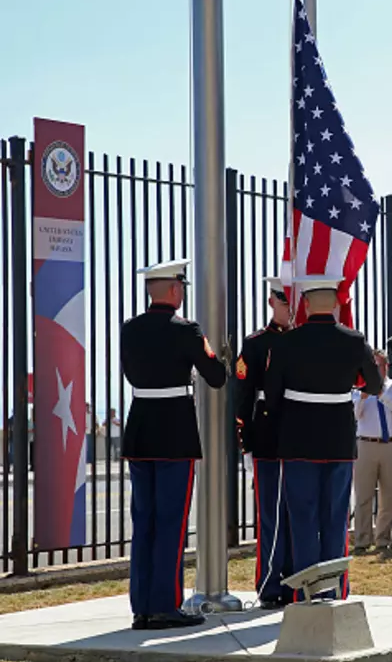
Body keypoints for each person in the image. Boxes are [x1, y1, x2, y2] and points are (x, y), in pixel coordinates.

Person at [121, 258, 227, 630]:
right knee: (171, 523)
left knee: (144, 521)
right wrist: (211, 348)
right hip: (175, 433)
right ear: (175, 290)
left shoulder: (129, 328)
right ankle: (165, 605)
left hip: (140, 430)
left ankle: (142, 607)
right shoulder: (187, 330)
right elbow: (216, 376)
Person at [264, 274, 382, 600]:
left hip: (298, 439)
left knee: (302, 518)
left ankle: (307, 594)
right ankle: (333, 592)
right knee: (334, 518)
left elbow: (271, 396)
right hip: (339, 438)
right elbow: (373, 386)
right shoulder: (354, 340)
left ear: (304, 303)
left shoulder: (285, 342)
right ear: (336, 303)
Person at [234, 276, 292, 609]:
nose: (289, 307)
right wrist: (246, 441)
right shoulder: (255, 343)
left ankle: (297, 580)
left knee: (297, 513)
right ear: (272, 302)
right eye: (284, 301)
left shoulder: (302, 340)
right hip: (268, 437)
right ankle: (271, 585)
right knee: (270, 514)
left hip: (300, 435)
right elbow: (243, 395)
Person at [353, 349, 392, 552]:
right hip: (366, 445)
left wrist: (381, 394)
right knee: (363, 496)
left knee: (389, 496)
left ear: (386, 366)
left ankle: (383, 540)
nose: (376, 369)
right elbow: (355, 415)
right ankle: (362, 540)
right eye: (373, 366)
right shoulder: (357, 391)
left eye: (380, 365)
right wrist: (363, 397)